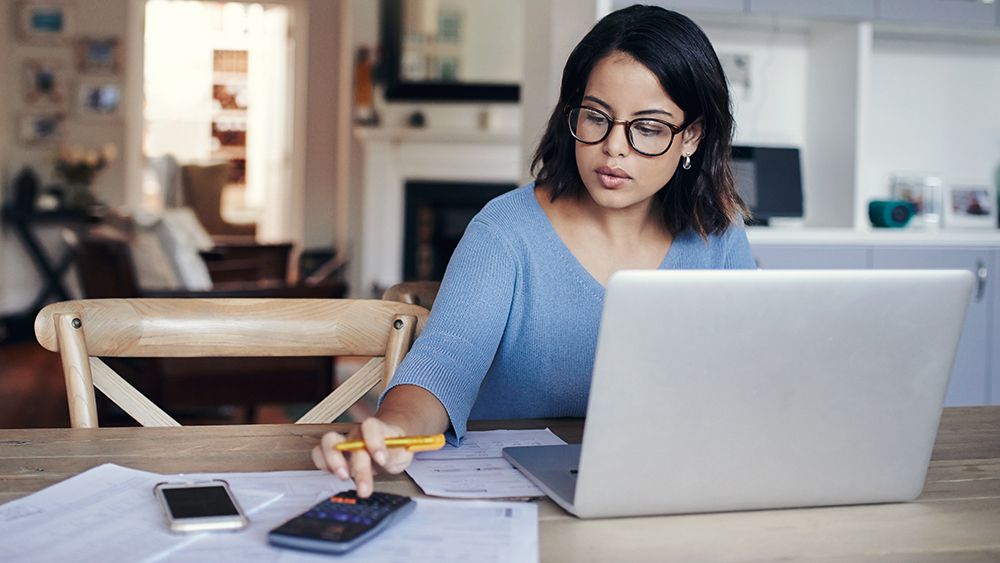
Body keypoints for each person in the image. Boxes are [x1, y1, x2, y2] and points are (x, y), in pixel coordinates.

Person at [313, 5, 755, 497]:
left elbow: (749, 381)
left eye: (648, 128)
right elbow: (443, 366)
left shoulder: (719, 235)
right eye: (597, 117)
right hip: (513, 496)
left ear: (691, 136)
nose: (614, 147)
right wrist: (393, 430)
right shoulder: (504, 232)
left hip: (665, 488)